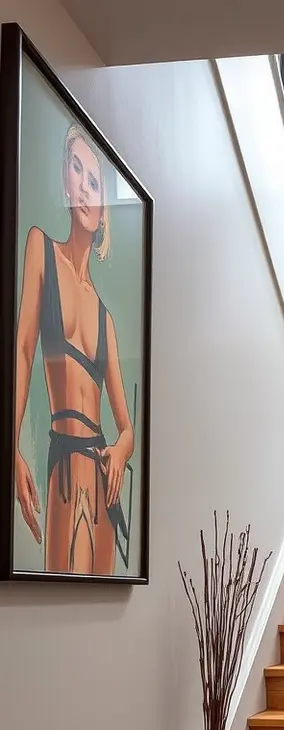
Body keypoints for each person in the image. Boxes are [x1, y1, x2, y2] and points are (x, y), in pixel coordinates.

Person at [14, 123, 134, 574]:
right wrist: (11, 447)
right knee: (60, 587)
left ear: (104, 211)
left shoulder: (106, 319)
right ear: (65, 182)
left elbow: (127, 428)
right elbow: (23, 350)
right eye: (76, 169)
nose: (84, 187)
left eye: (95, 181)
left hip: (101, 475)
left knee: (99, 597)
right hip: (64, 461)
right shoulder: (41, 249)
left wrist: (121, 450)